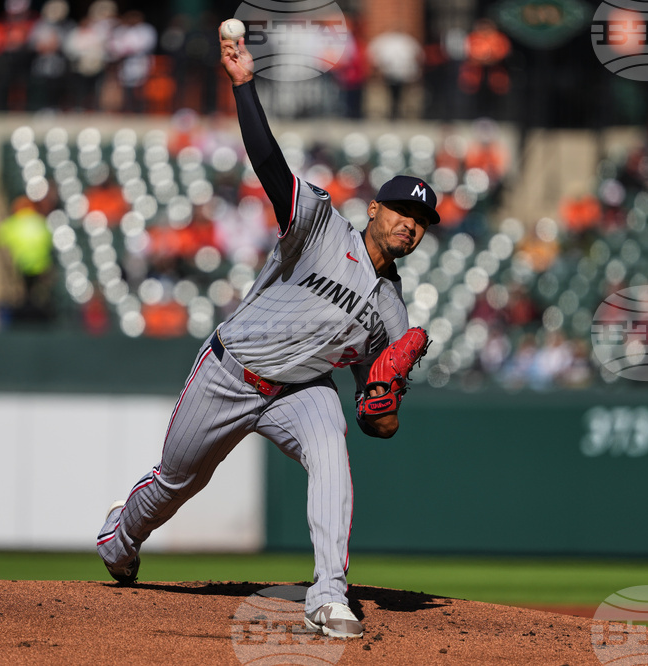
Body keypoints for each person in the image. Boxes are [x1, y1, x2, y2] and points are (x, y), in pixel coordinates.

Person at [96, 29, 438, 639]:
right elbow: (271, 167)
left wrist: (386, 398)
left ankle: (328, 594)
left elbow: (374, 418)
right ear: (376, 211)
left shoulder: (393, 314)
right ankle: (119, 540)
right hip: (230, 371)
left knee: (332, 449)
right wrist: (244, 85)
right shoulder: (322, 227)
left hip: (298, 392)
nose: (410, 226)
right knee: (177, 483)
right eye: (402, 212)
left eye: (421, 222)